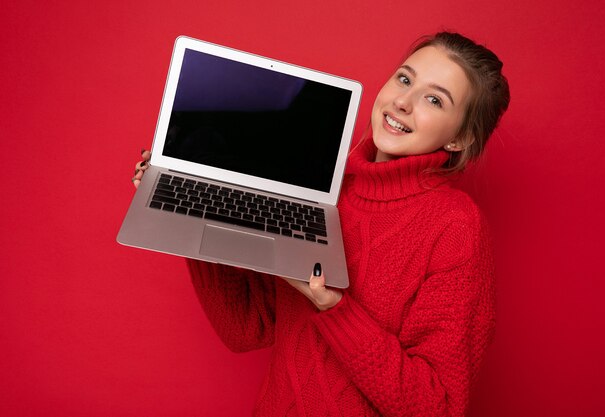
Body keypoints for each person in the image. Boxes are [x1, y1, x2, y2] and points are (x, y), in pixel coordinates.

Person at [131, 31, 510, 416]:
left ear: (460, 137)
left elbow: (437, 408)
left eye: (434, 99)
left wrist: (335, 308)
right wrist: (192, 216)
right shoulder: (323, 192)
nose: (402, 102)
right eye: (404, 78)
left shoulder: (456, 227)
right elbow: (245, 328)